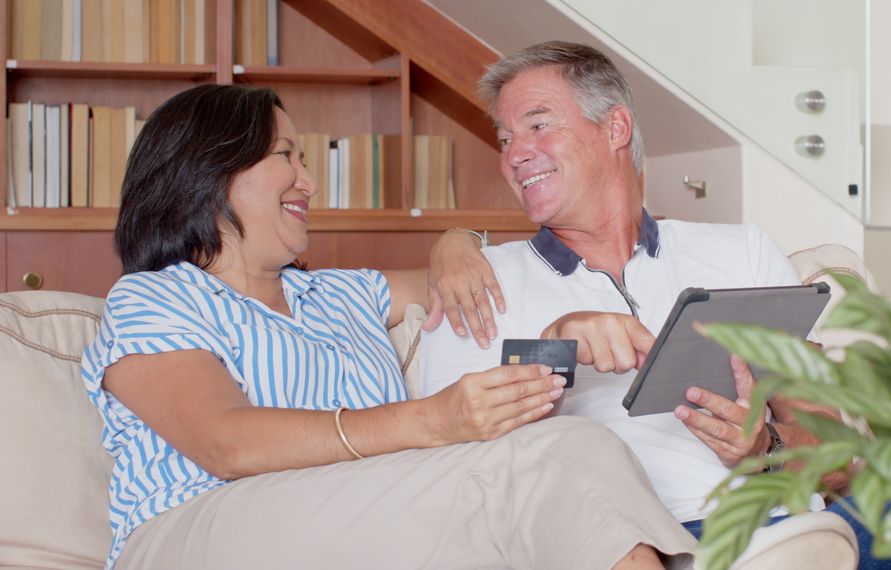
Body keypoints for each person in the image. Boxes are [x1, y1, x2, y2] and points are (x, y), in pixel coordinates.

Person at [81, 83, 695, 570]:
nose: (309, 181)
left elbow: (494, 276)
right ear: (211, 171)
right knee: (553, 457)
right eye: (285, 157)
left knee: (571, 452)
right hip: (195, 532)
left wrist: (457, 242)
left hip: (356, 525)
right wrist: (436, 421)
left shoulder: (340, 294)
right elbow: (227, 442)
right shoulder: (153, 297)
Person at [419, 41, 891, 569]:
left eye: (537, 126)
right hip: (642, 543)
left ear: (615, 128)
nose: (513, 154)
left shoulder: (742, 251)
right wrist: (556, 348)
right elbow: (461, 473)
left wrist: (763, 448)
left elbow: (836, 458)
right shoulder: (475, 284)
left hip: (797, 526)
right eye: (505, 138)